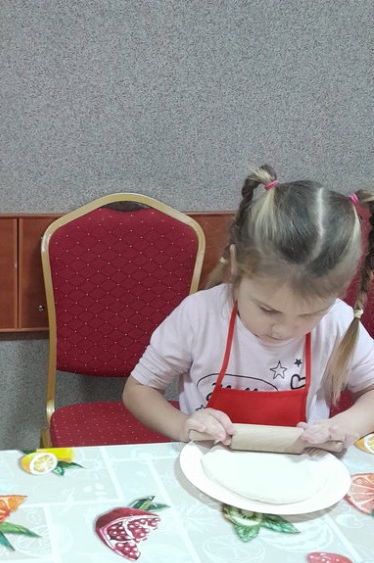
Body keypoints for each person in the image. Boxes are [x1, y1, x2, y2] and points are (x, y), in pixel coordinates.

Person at [123, 165, 374, 450]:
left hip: (300, 469)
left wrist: (346, 425)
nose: (283, 330)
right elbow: (139, 390)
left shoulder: (337, 322)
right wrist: (182, 425)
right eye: (268, 310)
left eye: (309, 314)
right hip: (208, 462)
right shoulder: (199, 316)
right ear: (236, 266)